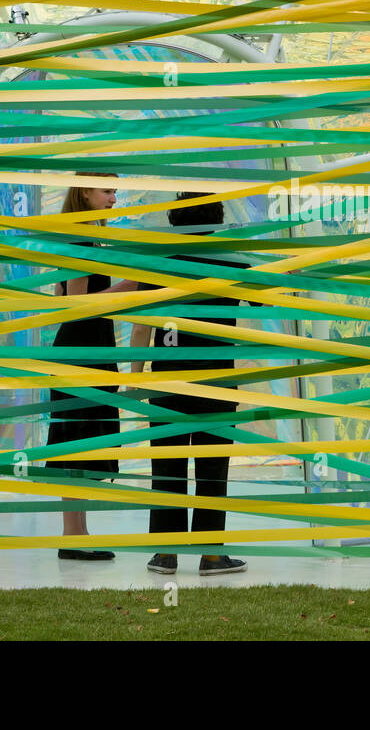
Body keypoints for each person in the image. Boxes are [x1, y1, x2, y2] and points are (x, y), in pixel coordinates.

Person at [131, 192, 253, 576]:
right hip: (216, 385)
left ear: (175, 221)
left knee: (167, 468)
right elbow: (269, 293)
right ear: (216, 218)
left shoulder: (159, 264)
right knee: (213, 470)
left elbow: (141, 326)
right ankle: (211, 556)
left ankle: (165, 555)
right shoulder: (230, 261)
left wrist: (137, 378)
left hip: (166, 384)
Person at [47, 171, 136, 560]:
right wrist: (128, 286)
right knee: (77, 444)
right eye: (107, 191)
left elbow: (59, 296)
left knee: (80, 443)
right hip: (81, 354)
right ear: (85, 192)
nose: (113, 198)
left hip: (85, 351)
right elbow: (79, 304)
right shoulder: (81, 240)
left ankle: (79, 534)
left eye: (114, 190)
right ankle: (73, 536)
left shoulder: (80, 238)